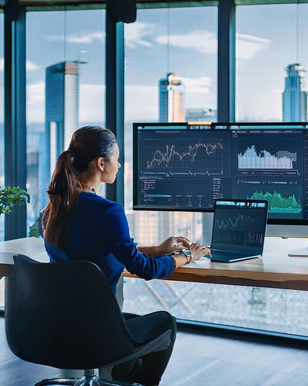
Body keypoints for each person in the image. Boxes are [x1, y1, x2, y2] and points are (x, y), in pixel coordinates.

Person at [42, 126, 209, 386]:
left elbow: (98, 249)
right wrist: (188, 256)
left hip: (57, 326)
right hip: (95, 330)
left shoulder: (51, 211)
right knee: (165, 322)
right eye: (117, 159)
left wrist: (159, 249)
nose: (119, 165)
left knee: (129, 323)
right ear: (101, 163)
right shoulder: (108, 211)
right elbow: (144, 269)